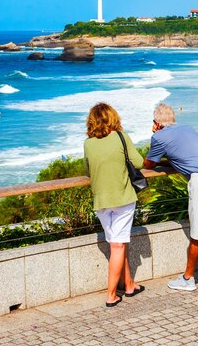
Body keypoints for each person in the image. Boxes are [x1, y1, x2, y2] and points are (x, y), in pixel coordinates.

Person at [144, 103, 198, 296]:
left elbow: (149, 163)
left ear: (156, 123)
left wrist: (157, 137)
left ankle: (188, 279)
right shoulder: (187, 128)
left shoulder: (158, 136)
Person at [84, 102, 145, 307]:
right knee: (118, 245)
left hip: (101, 200)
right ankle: (111, 295)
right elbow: (139, 162)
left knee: (117, 242)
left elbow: (87, 170)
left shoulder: (88, 143)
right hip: (122, 198)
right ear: (113, 118)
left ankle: (128, 285)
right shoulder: (121, 137)